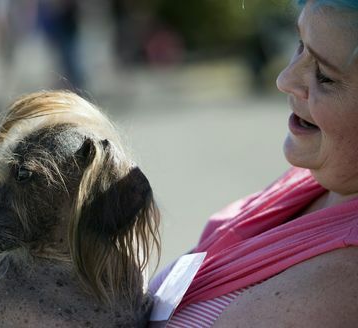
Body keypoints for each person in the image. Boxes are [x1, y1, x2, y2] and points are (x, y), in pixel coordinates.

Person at [149, 1, 358, 327]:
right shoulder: (314, 179)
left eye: (325, 76)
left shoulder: (337, 291)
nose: (285, 79)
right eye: (300, 45)